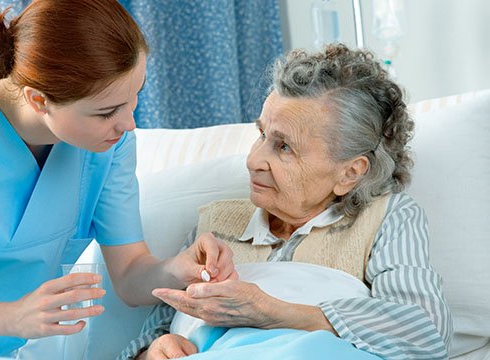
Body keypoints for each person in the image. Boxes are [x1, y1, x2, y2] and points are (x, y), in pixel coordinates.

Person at [0, 1, 235, 359]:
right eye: (107, 112)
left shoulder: (108, 145)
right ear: (38, 100)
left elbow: (131, 274)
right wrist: (12, 317)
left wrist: (175, 270)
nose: (129, 123)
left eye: (135, 97)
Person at [119, 44, 453, 360]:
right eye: (262, 134)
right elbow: (154, 332)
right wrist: (155, 349)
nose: (253, 160)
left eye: (283, 147)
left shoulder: (386, 218)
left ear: (349, 172)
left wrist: (271, 313)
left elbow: (424, 331)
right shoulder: (213, 227)